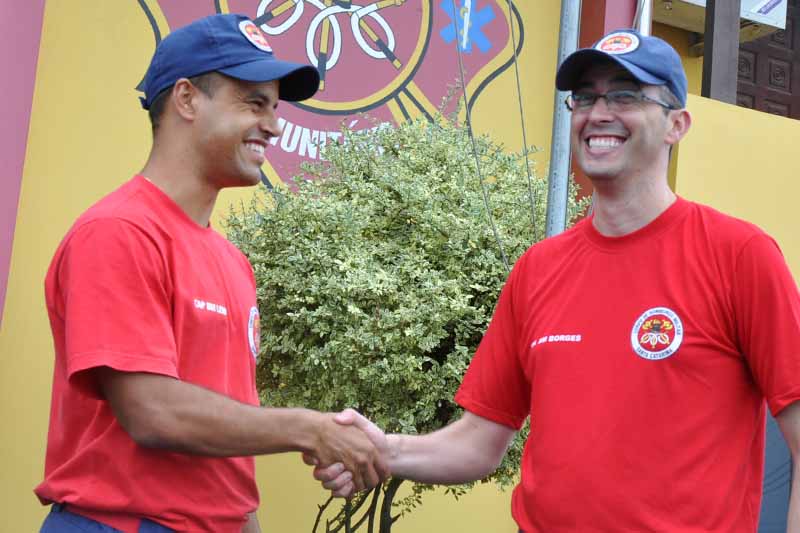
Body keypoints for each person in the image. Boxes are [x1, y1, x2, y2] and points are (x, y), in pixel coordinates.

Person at [315, 29, 800, 532]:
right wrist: (383, 450)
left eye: (625, 95)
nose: (599, 113)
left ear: (677, 124)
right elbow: (479, 441)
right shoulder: (538, 269)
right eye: (585, 97)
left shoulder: (739, 256)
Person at [35, 14, 387, 533]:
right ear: (187, 99)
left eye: (274, 108)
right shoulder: (118, 232)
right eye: (254, 103)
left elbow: (225, 467)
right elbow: (153, 412)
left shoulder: (232, 262)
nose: (273, 125)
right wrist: (311, 429)